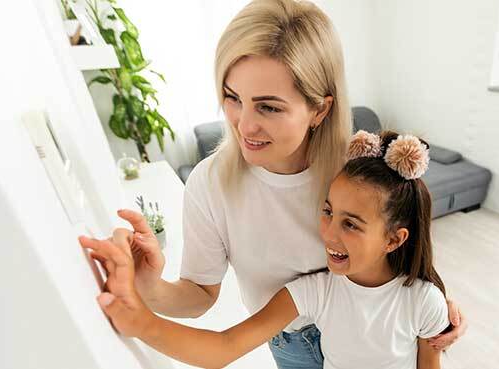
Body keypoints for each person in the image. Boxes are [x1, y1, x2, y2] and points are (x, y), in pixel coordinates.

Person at [99, 0, 466, 367]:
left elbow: (398, 247)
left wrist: (429, 307)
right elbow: (202, 300)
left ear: (320, 110)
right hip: (292, 341)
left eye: (269, 107)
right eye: (232, 97)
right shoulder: (211, 184)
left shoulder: (355, 171)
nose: (243, 126)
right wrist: (149, 286)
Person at [80, 130, 451, 369]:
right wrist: (142, 323)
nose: (329, 234)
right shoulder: (315, 291)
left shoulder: (423, 301)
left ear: (394, 239)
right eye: (327, 213)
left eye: (350, 224)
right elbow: (224, 347)